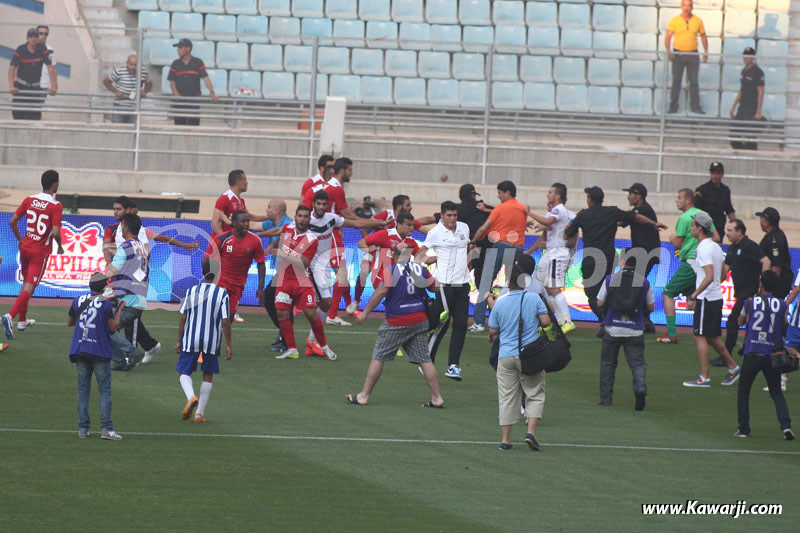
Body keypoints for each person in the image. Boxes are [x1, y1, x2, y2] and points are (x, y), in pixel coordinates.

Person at [348, 243, 445, 408]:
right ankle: (437, 398)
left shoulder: (391, 270)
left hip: (397, 320)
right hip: (419, 319)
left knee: (379, 356)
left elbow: (381, 292)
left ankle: (364, 396)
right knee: (424, 359)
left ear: (393, 255)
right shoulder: (419, 269)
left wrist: (365, 313)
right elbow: (435, 287)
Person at [564, 186, 664, 335]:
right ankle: (616, 321)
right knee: (608, 292)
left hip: (591, 260)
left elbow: (567, 235)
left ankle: (607, 322)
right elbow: (635, 217)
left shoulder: (584, 215)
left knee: (592, 295)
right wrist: (654, 223)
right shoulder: (611, 212)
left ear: (589, 199)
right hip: (609, 259)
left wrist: (569, 227)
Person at [488, 254, 550, 451]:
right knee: (535, 393)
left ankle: (506, 440)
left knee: (506, 397)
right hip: (530, 354)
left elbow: (492, 330)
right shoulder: (534, 297)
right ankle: (530, 432)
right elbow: (546, 322)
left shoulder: (501, 303)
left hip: (506, 354)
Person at [2, 170, 64, 340]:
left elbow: (12, 221)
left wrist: (20, 239)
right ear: (54, 184)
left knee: (26, 284)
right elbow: (57, 232)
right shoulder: (56, 205)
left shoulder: (30, 199)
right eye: (58, 182)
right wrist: (60, 246)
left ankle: (22, 320)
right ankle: (10, 316)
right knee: (30, 286)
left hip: (26, 247)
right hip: (39, 251)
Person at [682, 213, 741, 388]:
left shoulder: (703, 248)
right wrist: (714, 285)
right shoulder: (715, 246)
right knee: (713, 337)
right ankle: (733, 367)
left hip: (706, 298)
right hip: (716, 297)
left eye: (693, 226)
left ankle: (704, 377)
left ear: (700, 228)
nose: (691, 228)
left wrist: (694, 294)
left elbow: (708, 276)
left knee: (699, 336)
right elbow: (723, 274)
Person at [272, 204, 337, 361]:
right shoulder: (287, 228)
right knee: (281, 312)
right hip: (284, 280)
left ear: (309, 219)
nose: (302, 219)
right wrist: (261, 236)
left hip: (302, 281)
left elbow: (303, 263)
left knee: (310, 313)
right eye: (300, 216)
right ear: (295, 217)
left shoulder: (312, 239)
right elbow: (277, 233)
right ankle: (292, 349)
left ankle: (324, 346)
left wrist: (282, 253)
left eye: (305, 216)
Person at [735, 271, 793, 440]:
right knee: (776, 392)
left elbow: (740, 322)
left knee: (744, 391)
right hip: (772, 354)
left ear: (761, 284)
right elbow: (784, 325)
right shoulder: (782, 304)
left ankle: (744, 429)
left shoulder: (750, 302)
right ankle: (786, 426)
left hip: (753, 351)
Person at [67, 272, 125, 440]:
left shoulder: (78, 300)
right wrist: (120, 309)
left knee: (83, 391)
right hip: (99, 350)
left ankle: (83, 429)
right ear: (104, 287)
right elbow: (113, 327)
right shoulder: (105, 304)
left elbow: (70, 322)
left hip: (80, 349)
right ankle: (107, 428)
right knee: (104, 391)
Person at [417, 201, 471, 381]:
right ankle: (425, 360)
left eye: (455, 215)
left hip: (463, 284)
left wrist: (465, 267)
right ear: (442, 216)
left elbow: (467, 248)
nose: (453, 219)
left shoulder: (464, 228)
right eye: (449, 215)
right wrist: (428, 262)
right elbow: (419, 254)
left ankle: (453, 366)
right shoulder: (435, 233)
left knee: (462, 324)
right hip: (445, 285)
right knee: (442, 324)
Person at [175, 258, 232, 423]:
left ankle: (191, 396)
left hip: (191, 338)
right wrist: (228, 345)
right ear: (217, 274)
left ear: (202, 272)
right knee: (208, 374)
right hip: (212, 340)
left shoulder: (191, 291)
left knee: (183, 371)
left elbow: (183, 317)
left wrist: (179, 340)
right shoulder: (222, 293)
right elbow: (226, 321)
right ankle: (199, 413)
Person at [658, 188, 719, 343]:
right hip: (703, 261)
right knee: (692, 300)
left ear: (688, 200)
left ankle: (671, 334)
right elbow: (717, 237)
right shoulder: (704, 215)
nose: (676, 200)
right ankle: (705, 332)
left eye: (679, 198)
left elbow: (678, 243)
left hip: (692, 262)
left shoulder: (685, 218)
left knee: (668, 293)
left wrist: (671, 238)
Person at [353, 196, 433, 313]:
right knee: (365, 271)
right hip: (379, 268)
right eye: (409, 225)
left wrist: (443, 256)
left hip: (395, 274)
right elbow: (363, 237)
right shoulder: (385, 228)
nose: (412, 228)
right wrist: (369, 248)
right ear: (399, 224)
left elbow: (424, 258)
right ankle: (357, 301)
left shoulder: (410, 241)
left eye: (412, 226)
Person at [596, 251, 653, 410]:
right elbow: (651, 306)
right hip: (635, 330)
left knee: (608, 364)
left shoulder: (610, 279)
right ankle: (640, 388)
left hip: (612, 328)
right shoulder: (643, 282)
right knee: (638, 363)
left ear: (622, 261)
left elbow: (599, 303)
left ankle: (606, 399)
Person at [470, 180, 529, 332]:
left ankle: (479, 322)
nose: (498, 196)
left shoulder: (500, 208)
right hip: (517, 248)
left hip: (500, 246)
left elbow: (484, 228)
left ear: (507, 193)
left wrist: (473, 241)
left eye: (500, 193)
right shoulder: (522, 208)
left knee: (485, 285)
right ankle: (517, 321)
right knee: (515, 286)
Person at [524, 182, 577, 333]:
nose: (548, 194)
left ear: (557, 196)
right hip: (551, 252)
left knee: (553, 287)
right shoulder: (554, 212)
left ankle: (566, 321)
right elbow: (546, 234)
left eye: (550, 192)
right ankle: (553, 320)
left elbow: (548, 222)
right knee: (544, 285)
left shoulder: (559, 209)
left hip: (559, 252)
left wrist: (530, 213)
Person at [717, 220, 769, 363]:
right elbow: (726, 269)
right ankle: (746, 349)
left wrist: (763, 284)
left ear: (740, 232)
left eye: (730, 230)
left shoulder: (749, 245)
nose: (726, 233)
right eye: (726, 230)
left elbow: (766, 261)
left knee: (733, 321)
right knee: (746, 322)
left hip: (749, 292)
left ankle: (726, 356)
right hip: (739, 291)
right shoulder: (733, 248)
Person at [106, 213, 152, 371]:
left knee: (107, 327)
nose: (121, 227)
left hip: (129, 298)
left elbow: (113, 270)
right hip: (139, 296)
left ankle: (131, 354)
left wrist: (101, 281)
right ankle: (122, 360)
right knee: (112, 327)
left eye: (122, 225)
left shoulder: (125, 247)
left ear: (126, 227)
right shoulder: (142, 247)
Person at [205, 210, 266, 324]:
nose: (247, 224)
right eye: (243, 221)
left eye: (248, 221)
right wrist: (209, 281)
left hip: (238, 286)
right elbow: (207, 259)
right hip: (220, 283)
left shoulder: (255, 241)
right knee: (214, 315)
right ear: (234, 223)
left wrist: (260, 288)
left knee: (229, 318)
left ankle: (216, 338)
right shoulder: (222, 238)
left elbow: (261, 263)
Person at [620, 183, 660, 333]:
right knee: (637, 285)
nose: (628, 196)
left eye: (631, 193)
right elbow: (623, 221)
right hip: (645, 254)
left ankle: (644, 320)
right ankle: (643, 319)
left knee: (636, 286)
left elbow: (626, 218)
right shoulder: (642, 209)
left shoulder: (642, 210)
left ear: (639, 196)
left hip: (645, 254)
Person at [257, 199, 293, 351]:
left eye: (269, 207)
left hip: (292, 271)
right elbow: (254, 224)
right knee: (271, 299)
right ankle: (284, 333)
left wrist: (271, 244)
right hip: (281, 271)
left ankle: (287, 340)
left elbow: (280, 234)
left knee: (281, 303)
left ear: (277, 211)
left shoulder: (288, 223)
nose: (267, 209)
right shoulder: (270, 223)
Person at [664, 0, 708, 114]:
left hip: (693, 54)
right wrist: (669, 51)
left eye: (688, 5)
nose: (686, 8)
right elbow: (668, 37)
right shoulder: (674, 20)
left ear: (692, 7)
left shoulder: (698, 21)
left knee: (693, 81)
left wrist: (705, 51)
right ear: (681, 6)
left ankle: (695, 106)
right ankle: (673, 106)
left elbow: (703, 36)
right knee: (676, 81)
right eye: (684, 5)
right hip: (678, 55)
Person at [8, 28, 56, 120]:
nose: (33, 39)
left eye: (35, 36)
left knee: (34, 116)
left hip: (35, 88)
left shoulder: (42, 48)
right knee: (18, 115)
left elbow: (50, 67)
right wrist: (11, 85)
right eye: (31, 36)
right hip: (21, 87)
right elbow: (12, 68)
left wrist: (53, 86)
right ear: (27, 38)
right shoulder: (20, 49)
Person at [167, 38, 217, 126]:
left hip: (194, 100)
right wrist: (176, 94)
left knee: (194, 125)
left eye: (180, 48)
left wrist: (212, 92)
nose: (178, 50)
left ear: (187, 49)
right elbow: (172, 80)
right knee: (179, 125)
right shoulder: (175, 63)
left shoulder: (198, 62)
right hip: (180, 101)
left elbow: (205, 77)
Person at [212, 169, 268, 236]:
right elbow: (215, 223)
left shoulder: (241, 200)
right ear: (238, 182)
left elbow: (249, 217)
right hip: (223, 243)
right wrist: (223, 240)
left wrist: (269, 217)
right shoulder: (225, 198)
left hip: (234, 240)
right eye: (244, 180)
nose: (247, 183)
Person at [729, 47, 765, 151]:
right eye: (744, 56)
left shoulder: (758, 72)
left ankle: (751, 154)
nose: (746, 58)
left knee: (750, 137)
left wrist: (758, 111)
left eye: (748, 56)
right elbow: (741, 89)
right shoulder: (744, 71)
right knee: (734, 136)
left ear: (753, 58)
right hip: (742, 106)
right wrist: (733, 106)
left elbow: (761, 92)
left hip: (751, 106)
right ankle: (742, 152)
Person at [103, 54, 152, 124]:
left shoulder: (143, 72)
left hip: (135, 107)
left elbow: (149, 83)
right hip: (119, 107)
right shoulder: (119, 71)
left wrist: (144, 91)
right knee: (117, 129)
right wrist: (116, 91)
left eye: (135, 65)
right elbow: (106, 81)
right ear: (126, 63)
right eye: (131, 64)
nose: (133, 67)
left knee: (133, 131)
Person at [694, 162, 736, 242]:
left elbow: (729, 209)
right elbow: (696, 210)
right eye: (712, 173)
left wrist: (736, 225)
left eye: (717, 173)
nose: (715, 176)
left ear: (722, 174)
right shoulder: (702, 190)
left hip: (719, 227)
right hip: (705, 229)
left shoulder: (725, 190)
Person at [756, 207, 792, 299]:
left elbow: (777, 266)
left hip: (776, 287)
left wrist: (767, 288)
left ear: (766, 222)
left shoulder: (775, 240)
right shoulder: (773, 235)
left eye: (761, 219)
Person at [37, 25, 57, 112]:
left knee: (37, 110)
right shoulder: (30, 47)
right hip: (29, 84)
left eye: (45, 34)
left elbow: (53, 69)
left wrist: (54, 86)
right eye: (40, 33)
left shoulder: (50, 50)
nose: (43, 36)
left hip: (43, 85)